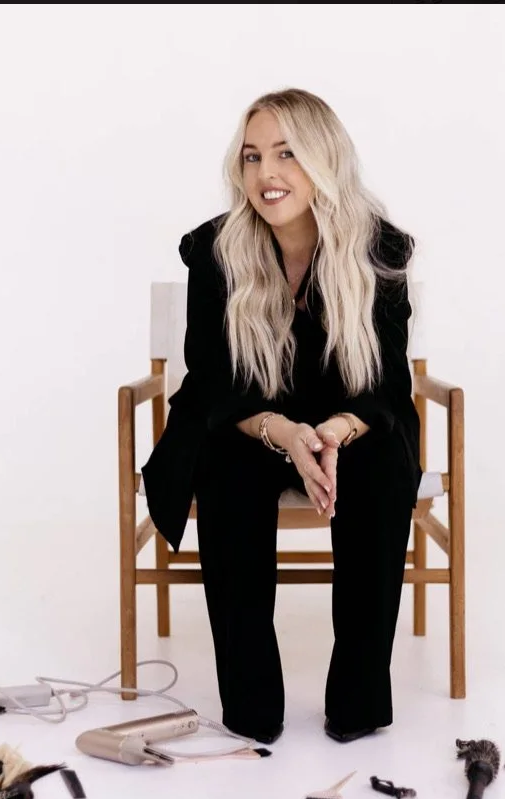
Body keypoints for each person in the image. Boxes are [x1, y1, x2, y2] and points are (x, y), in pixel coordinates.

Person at [142, 88, 421, 745]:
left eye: (286, 154)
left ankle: (357, 699)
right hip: (244, 420)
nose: (266, 174)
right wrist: (282, 430)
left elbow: (384, 381)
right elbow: (211, 380)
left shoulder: (377, 249)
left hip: (348, 425)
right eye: (251, 157)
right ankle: (250, 702)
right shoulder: (215, 250)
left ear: (323, 160)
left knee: (381, 464)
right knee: (227, 469)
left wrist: (331, 431)